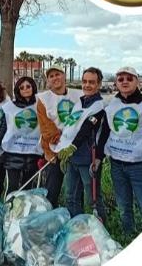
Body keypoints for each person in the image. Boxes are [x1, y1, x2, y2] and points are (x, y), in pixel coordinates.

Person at [97, 66, 142, 233]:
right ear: (116, 83)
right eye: (121, 79)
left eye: (129, 78)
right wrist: (99, 156)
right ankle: (128, 235)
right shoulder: (111, 104)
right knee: (123, 206)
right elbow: (105, 131)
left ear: (137, 81)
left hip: (139, 166)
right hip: (117, 164)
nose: (125, 82)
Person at [57, 67, 109, 222]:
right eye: (85, 81)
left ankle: (100, 228)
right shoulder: (79, 103)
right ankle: (77, 226)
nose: (87, 85)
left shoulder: (100, 106)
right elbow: (70, 127)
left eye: (92, 82)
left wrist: (72, 146)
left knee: (92, 198)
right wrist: (62, 148)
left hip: (88, 159)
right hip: (72, 158)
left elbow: (87, 127)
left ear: (99, 84)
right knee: (70, 196)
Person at [37, 64, 83, 207]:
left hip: (75, 150)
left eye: (57, 74)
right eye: (51, 76)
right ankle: (49, 217)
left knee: (75, 191)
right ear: (48, 81)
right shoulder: (43, 99)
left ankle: (75, 218)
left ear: (64, 76)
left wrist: (72, 140)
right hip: (54, 151)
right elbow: (46, 126)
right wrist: (61, 140)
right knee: (52, 189)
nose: (55, 78)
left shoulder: (79, 95)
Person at [0, 76, 43, 195]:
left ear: (33, 87)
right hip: (13, 154)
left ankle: (25, 213)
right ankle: (10, 211)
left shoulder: (41, 106)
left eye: (28, 86)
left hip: (32, 154)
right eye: (22, 87)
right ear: (18, 90)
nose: (25, 89)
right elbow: (3, 128)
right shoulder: (10, 107)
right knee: (12, 188)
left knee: (28, 189)